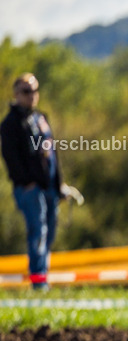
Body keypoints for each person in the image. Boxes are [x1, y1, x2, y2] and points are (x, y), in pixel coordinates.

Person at [0, 73, 68, 290]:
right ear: (16, 94)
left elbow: (52, 154)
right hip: (30, 189)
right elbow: (10, 157)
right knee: (38, 231)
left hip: (49, 188)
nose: (32, 95)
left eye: (34, 90)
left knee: (50, 232)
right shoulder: (11, 123)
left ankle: (43, 276)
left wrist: (59, 185)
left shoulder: (41, 118)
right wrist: (25, 181)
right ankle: (39, 283)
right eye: (26, 91)